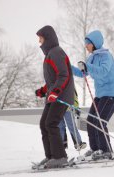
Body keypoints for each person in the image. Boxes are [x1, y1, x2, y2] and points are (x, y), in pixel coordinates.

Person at [71, 30, 114, 158]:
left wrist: (88, 67)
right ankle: (95, 149)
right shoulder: (92, 58)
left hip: (111, 93)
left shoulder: (106, 56)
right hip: (100, 95)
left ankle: (106, 150)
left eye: (88, 44)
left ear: (94, 43)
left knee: (99, 122)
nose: (86, 46)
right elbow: (83, 73)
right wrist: (68, 67)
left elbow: (103, 71)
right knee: (91, 121)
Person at [33, 25, 75, 169]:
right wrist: (44, 90)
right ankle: (51, 156)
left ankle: (60, 157)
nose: (39, 41)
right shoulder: (50, 54)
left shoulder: (56, 52)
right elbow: (53, 79)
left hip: (61, 96)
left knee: (51, 123)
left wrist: (55, 91)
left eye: (41, 38)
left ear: (48, 38)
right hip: (54, 96)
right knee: (44, 124)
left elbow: (64, 75)